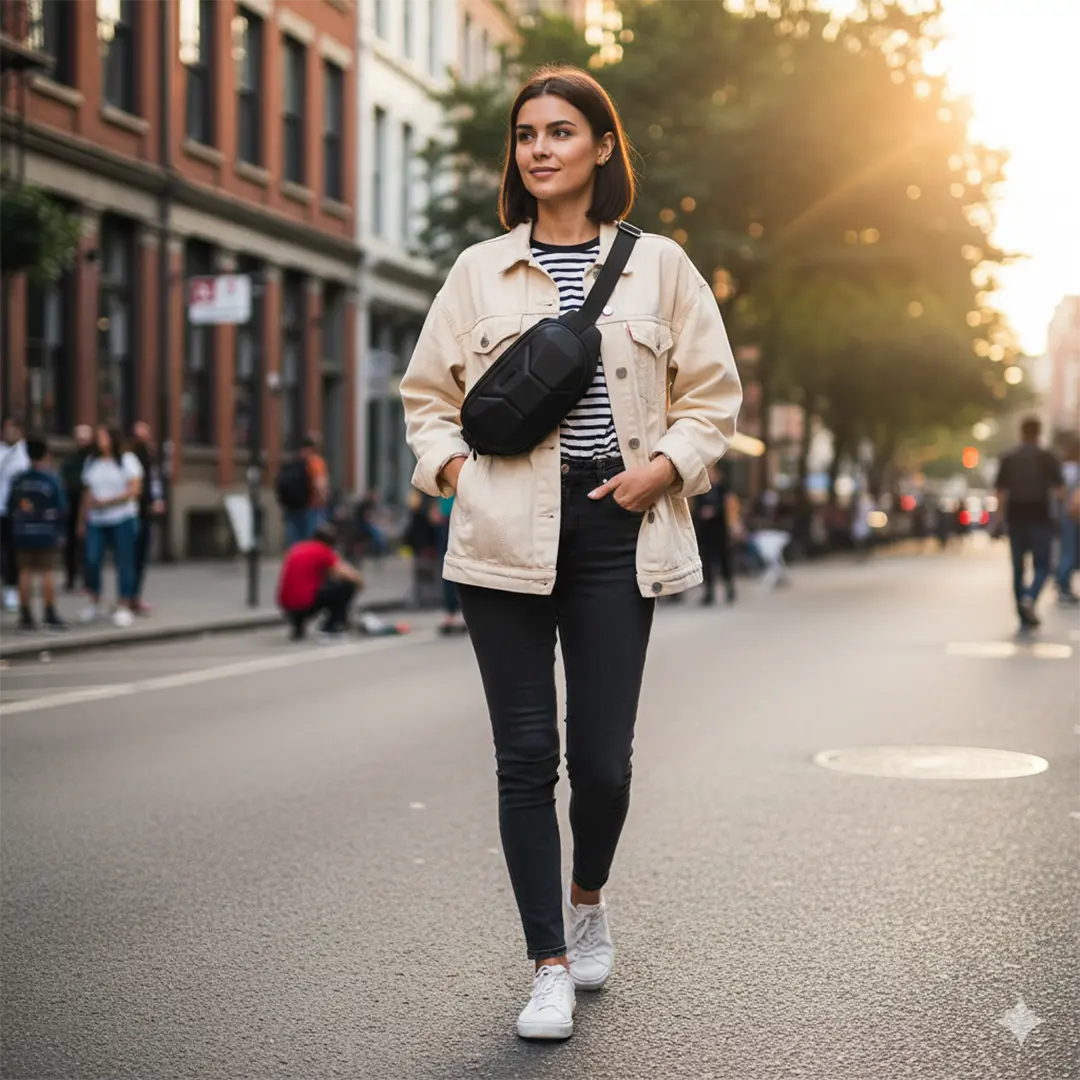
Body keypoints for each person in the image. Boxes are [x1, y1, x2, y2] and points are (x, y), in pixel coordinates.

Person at [400, 66, 741, 1041]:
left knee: (601, 764)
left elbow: (712, 395)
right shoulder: (478, 271)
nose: (540, 149)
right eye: (526, 135)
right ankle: (547, 963)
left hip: (613, 527)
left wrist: (661, 470)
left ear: (601, 146)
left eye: (560, 131)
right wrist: (456, 475)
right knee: (523, 757)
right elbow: (427, 398)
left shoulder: (660, 267)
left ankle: (588, 900)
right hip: (502, 528)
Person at [994, 416, 1064, 630]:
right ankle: (1030, 598)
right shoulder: (1048, 457)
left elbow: (1000, 492)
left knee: (1018, 567)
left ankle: (1023, 609)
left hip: (1015, 517)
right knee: (1043, 565)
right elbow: (1060, 490)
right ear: (1039, 433)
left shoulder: (1009, 457)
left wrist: (998, 519)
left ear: (1021, 432)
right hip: (1040, 516)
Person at [79, 425, 144, 628]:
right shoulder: (91, 462)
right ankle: (95, 601)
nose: (100, 440)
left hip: (123, 518)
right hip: (96, 520)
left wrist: (107, 502)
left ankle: (124, 605)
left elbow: (134, 490)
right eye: (98, 437)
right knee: (92, 559)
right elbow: (86, 493)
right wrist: (82, 520)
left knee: (124, 561)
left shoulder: (127, 460)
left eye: (103, 436)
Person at [8, 435, 67, 632]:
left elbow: (11, 504)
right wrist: (60, 530)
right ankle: (49, 613)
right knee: (46, 572)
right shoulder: (51, 479)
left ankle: (25, 615)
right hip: (46, 531)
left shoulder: (19, 479)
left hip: (23, 530)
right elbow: (61, 507)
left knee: (24, 571)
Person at [276, 521, 364, 640]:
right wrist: (360, 582)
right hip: (305, 603)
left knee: (313, 588)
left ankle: (298, 626)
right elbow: (345, 573)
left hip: (287, 605)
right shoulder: (323, 550)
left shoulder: (298, 547)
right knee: (346, 587)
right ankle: (330, 627)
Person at [130, 420, 166, 615]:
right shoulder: (132, 458)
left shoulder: (151, 459)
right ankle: (129, 597)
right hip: (133, 513)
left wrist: (158, 500)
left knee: (140, 558)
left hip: (145, 513)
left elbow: (155, 482)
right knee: (132, 557)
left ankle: (134, 596)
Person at [693, 463, 736, 605]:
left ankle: (729, 589)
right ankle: (709, 592)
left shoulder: (723, 488)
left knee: (724, 560)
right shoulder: (701, 490)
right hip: (706, 531)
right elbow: (696, 508)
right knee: (707, 562)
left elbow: (728, 507)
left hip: (720, 530)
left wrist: (715, 511)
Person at [0, 416, 30, 613]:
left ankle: (11, 588)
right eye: (6, 429)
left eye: (13, 429)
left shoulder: (25, 452)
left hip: (14, 510)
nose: (9, 433)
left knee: (12, 551)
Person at [276, 435, 327, 548]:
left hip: (292, 507)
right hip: (311, 507)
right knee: (311, 540)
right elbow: (320, 484)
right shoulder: (316, 462)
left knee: (294, 540)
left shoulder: (294, 462)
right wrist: (323, 500)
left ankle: (294, 557)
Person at [59, 424, 93, 592]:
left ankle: (88, 579)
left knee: (87, 544)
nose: (82, 442)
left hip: (90, 505)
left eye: (85, 438)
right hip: (71, 505)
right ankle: (71, 577)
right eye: (80, 438)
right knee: (71, 543)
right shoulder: (70, 462)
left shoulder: (93, 460)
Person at [1055, 441, 1080, 604]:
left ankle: (1062, 583)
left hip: (1061, 515)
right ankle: (1064, 586)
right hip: (1072, 515)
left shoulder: (1061, 469)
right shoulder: (1076, 470)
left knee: (1063, 550)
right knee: (1069, 552)